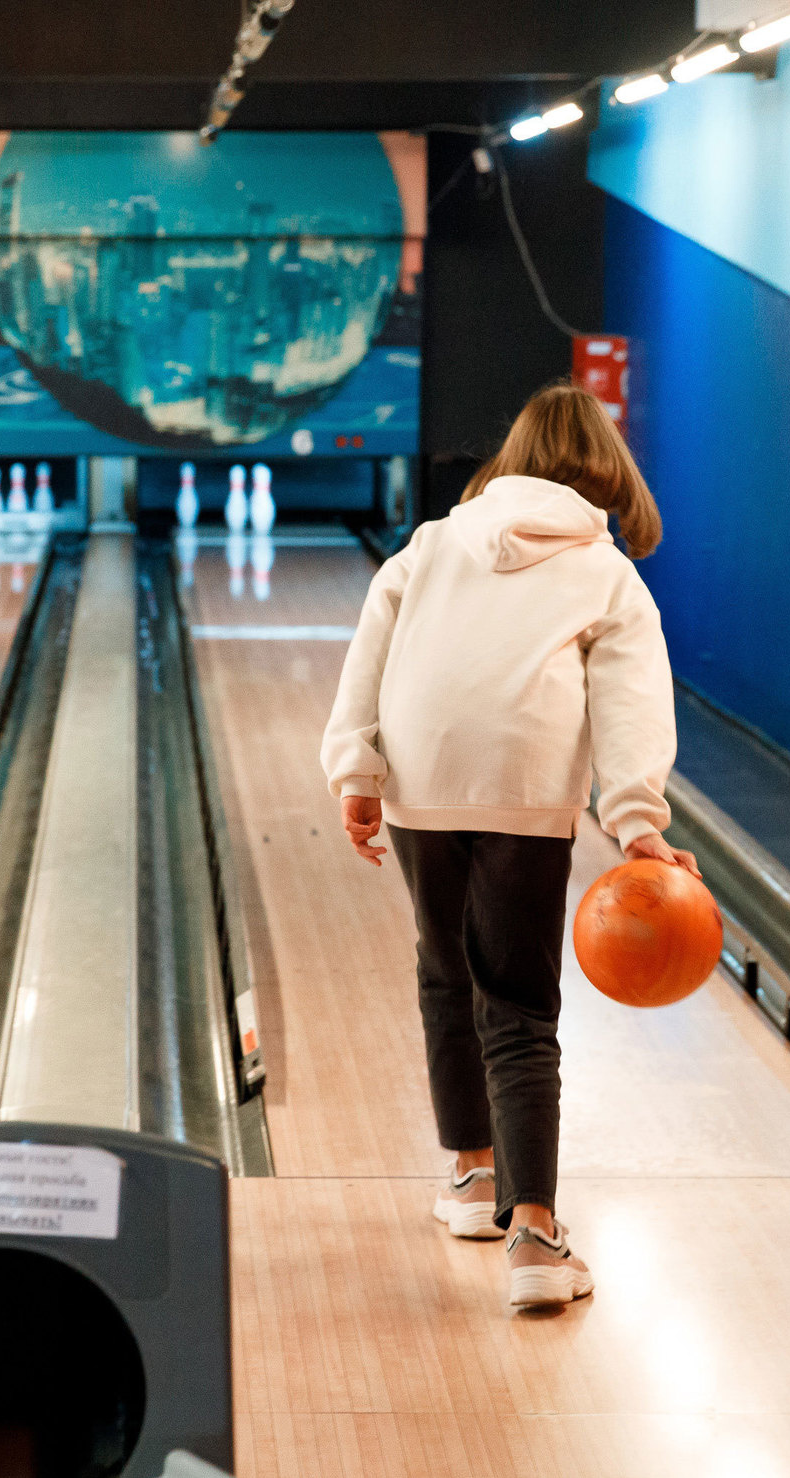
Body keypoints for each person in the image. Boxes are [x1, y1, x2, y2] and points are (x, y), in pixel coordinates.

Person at [321, 381, 696, 1310]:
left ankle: (472, 1177)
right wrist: (638, 821)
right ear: (604, 471)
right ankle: (535, 1236)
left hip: (421, 777)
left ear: (512, 457)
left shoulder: (434, 541)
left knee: (445, 975)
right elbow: (630, 699)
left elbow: (368, 655)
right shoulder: (604, 570)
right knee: (520, 1006)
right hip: (525, 789)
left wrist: (356, 772)